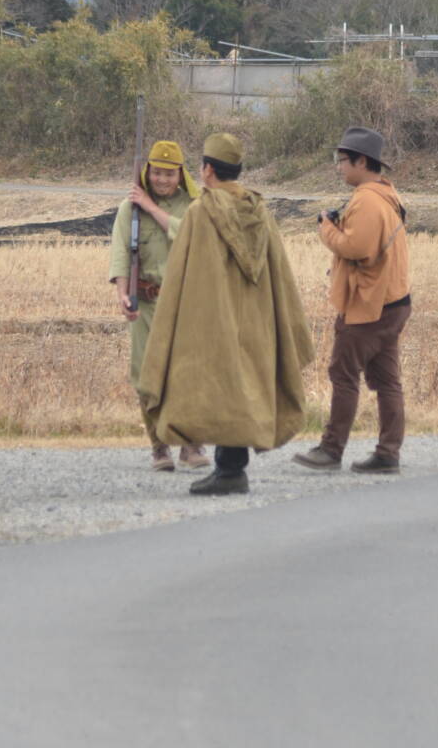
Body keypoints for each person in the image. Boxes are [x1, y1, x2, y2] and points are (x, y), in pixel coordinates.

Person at [138, 132, 313, 496]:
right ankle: (231, 467)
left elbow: (182, 273)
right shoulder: (260, 211)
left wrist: (173, 322)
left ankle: (229, 471)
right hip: (255, 318)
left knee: (220, 386)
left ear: (207, 171)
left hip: (213, 320)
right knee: (242, 387)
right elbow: (279, 272)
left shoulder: (201, 212)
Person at [294, 125, 410, 475]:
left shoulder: (367, 200)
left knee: (343, 373)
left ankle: (331, 449)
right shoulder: (387, 194)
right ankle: (388, 452)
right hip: (394, 302)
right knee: (387, 380)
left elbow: (357, 248)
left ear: (361, 161)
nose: (339, 166)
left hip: (369, 306)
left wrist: (326, 228)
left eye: (342, 159)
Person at [108, 139, 209, 472]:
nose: (162, 179)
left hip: (185, 303)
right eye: (156, 173)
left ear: (180, 175)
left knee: (187, 375)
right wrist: (123, 294)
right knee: (146, 376)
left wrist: (151, 207)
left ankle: (191, 444)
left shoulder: (195, 205)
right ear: (147, 172)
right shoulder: (129, 209)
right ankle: (159, 446)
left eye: (169, 174)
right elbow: (121, 254)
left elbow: (191, 236)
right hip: (147, 303)